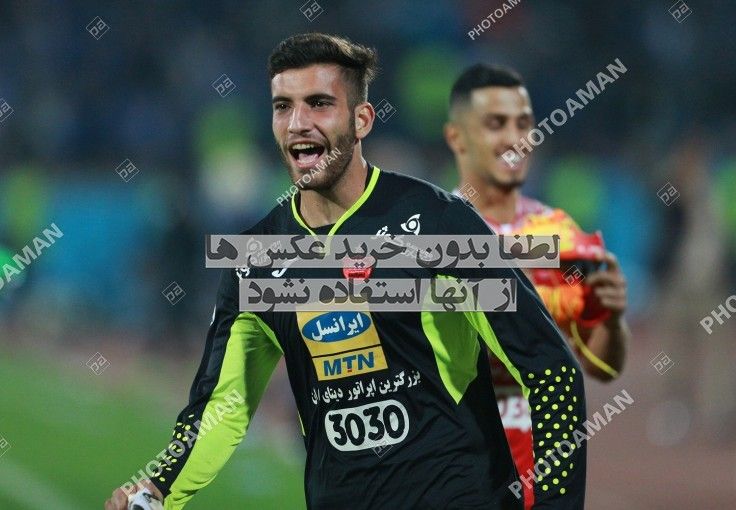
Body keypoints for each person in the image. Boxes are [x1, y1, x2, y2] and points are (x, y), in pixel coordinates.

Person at [106, 35, 587, 510]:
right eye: (283, 107)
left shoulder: (439, 224)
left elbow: (549, 369)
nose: (299, 123)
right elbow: (221, 406)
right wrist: (157, 489)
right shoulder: (258, 258)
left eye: (319, 104)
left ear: (362, 120)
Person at [444, 63, 630, 509]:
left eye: (524, 124)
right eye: (496, 124)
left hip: (545, 471)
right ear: (457, 138)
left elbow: (603, 367)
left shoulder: (559, 231)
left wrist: (611, 317)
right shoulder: (432, 230)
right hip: (460, 471)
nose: (516, 138)